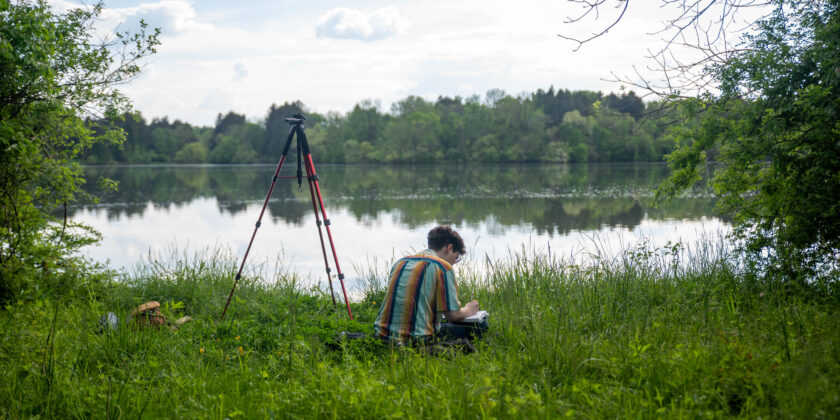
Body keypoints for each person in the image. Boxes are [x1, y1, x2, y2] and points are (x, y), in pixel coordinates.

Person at [373, 225, 488, 344]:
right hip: (416, 338)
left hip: (383, 335)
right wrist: (469, 309)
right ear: (449, 247)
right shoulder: (443, 267)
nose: (454, 263)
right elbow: (452, 316)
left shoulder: (400, 262)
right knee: (481, 324)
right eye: (456, 257)